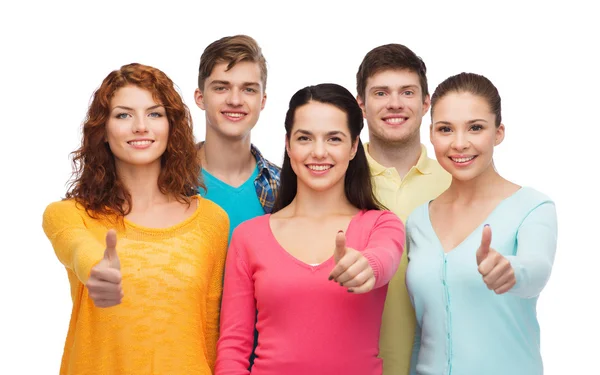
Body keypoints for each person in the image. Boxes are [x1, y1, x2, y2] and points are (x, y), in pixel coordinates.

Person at [42, 63, 229, 375]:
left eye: (154, 114)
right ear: (102, 130)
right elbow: (77, 249)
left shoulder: (211, 220)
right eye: (123, 115)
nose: (141, 126)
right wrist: (96, 269)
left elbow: (210, 332)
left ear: (172, 126)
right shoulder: (68, 215)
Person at [215, 83, 405, 375]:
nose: (318, 152)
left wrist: (367, 266)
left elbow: (384, 258)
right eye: (305, 138)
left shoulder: (380, 224)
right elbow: (233, 348)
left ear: (354, 147)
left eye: (334, 139)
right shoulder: (248, 236)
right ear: (289, 145)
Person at [406, 72, 558, 375]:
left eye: (475, 128)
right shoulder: (418, 220)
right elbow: (423, 329)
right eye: (446, 129)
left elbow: (537, 269)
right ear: (432, 135)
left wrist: (512, 271)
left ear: (498, 133)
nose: (459, 143)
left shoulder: (533, 207)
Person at [355, 43, 452, 374]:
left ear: (426, 103)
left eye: (407, 92)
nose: (394, 103)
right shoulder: (335, 180)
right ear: (361, 105)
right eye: (381, 93)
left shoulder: (455, 182)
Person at [194, 34, 280, 239]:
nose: (235, 100)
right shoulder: (168, 181)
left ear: (262, 101)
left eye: (248, 89)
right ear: (200, 98)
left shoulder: (284, 186)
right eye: (221, 87)